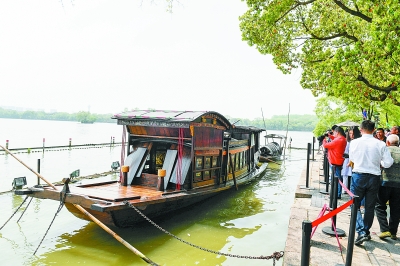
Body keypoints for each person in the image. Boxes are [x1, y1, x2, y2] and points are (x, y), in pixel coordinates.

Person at [349, 120, 394, 245]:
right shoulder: (380, 144)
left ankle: (361, 231)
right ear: (374, 130)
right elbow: (388, 163)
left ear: (361, 129)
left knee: (354, 204)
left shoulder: (354, 143)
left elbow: (352, 158)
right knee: (369, 207)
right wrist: (381, 164)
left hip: (359, 174)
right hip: (374, 176)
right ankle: (366, 231)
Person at [375, 134, 400, 240]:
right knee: (396, 208)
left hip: (384, 182)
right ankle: (393, 232)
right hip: (398, 185)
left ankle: (385, 229)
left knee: (380, 205)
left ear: (388, 142)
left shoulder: (385, 150)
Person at [323, 126, 347, 198]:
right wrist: (330, 136)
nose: (333, 134)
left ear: (337, 132)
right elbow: (335, 139)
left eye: (334, 133)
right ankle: (336, 193)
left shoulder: (339, 140)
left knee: (337, 178)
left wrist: (323, 139)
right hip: (337, 161)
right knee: (337, 178)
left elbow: (326, 145)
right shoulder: (342, 139)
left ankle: (337, 194)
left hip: (335, 162)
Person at [341, 127, 361, 194]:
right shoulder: (348, 142)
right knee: (346, 175)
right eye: (350, 133)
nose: (351, 135)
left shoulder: (358, 142)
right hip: (349, 162)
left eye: (353, 133)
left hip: (357, 164)